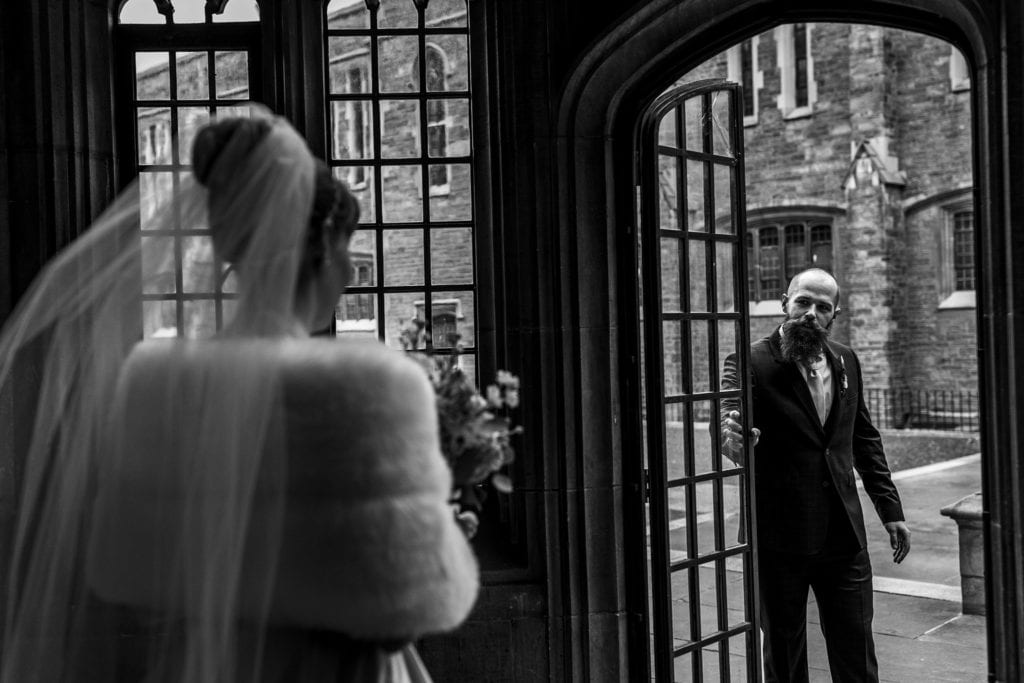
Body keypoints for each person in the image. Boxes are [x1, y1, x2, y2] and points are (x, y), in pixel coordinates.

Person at [0, 110, 478, 682]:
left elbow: (137, 573)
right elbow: (408, 606)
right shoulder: (365, 395)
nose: (352, 272)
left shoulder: (158, 390)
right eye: (349, 246)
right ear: (320, 247)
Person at [720, 267, 911, 683]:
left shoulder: (846, 359)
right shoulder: (749, 359)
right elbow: (732, 423)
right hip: (779, 539)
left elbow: (863, 438)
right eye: (803, 302)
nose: (810, 313)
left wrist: (889, 508)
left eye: (822, 307)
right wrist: (735, 441)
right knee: (785, 656)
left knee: (857, 652)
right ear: (785, 304)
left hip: (844, 536)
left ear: (834, 315)